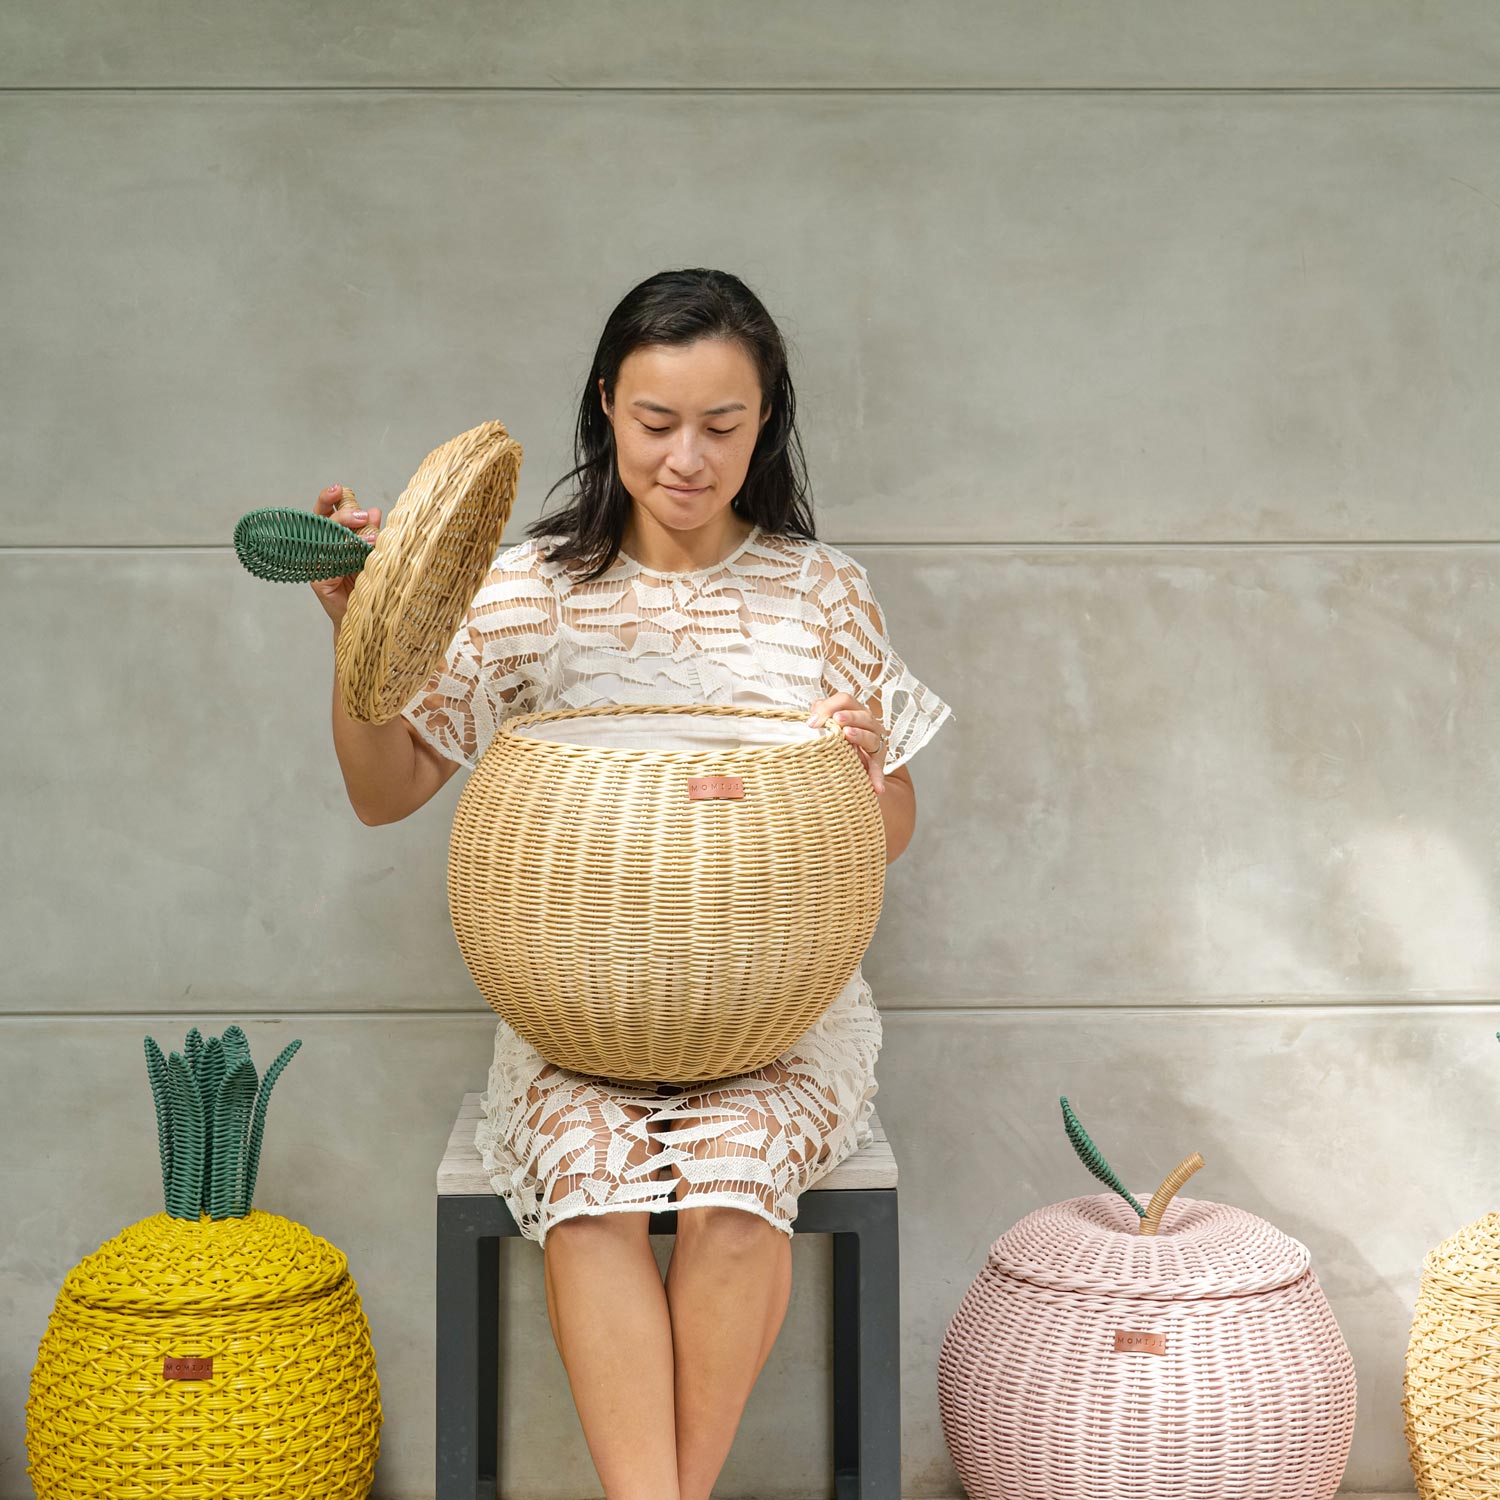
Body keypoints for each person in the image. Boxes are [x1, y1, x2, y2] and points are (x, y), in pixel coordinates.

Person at [309, 267, 952, 1500]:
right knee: (592, 1198)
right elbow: (385, 788)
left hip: (781, 1015)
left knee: (734, 1186)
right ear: (607, 407)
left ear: (769, 421)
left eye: (723, 425)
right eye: (658, 423)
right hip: (574, 1019)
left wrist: (866, 779)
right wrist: (357, 633)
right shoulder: (527, 591)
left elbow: (893, 830)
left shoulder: (825, 594)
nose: (688, 459)